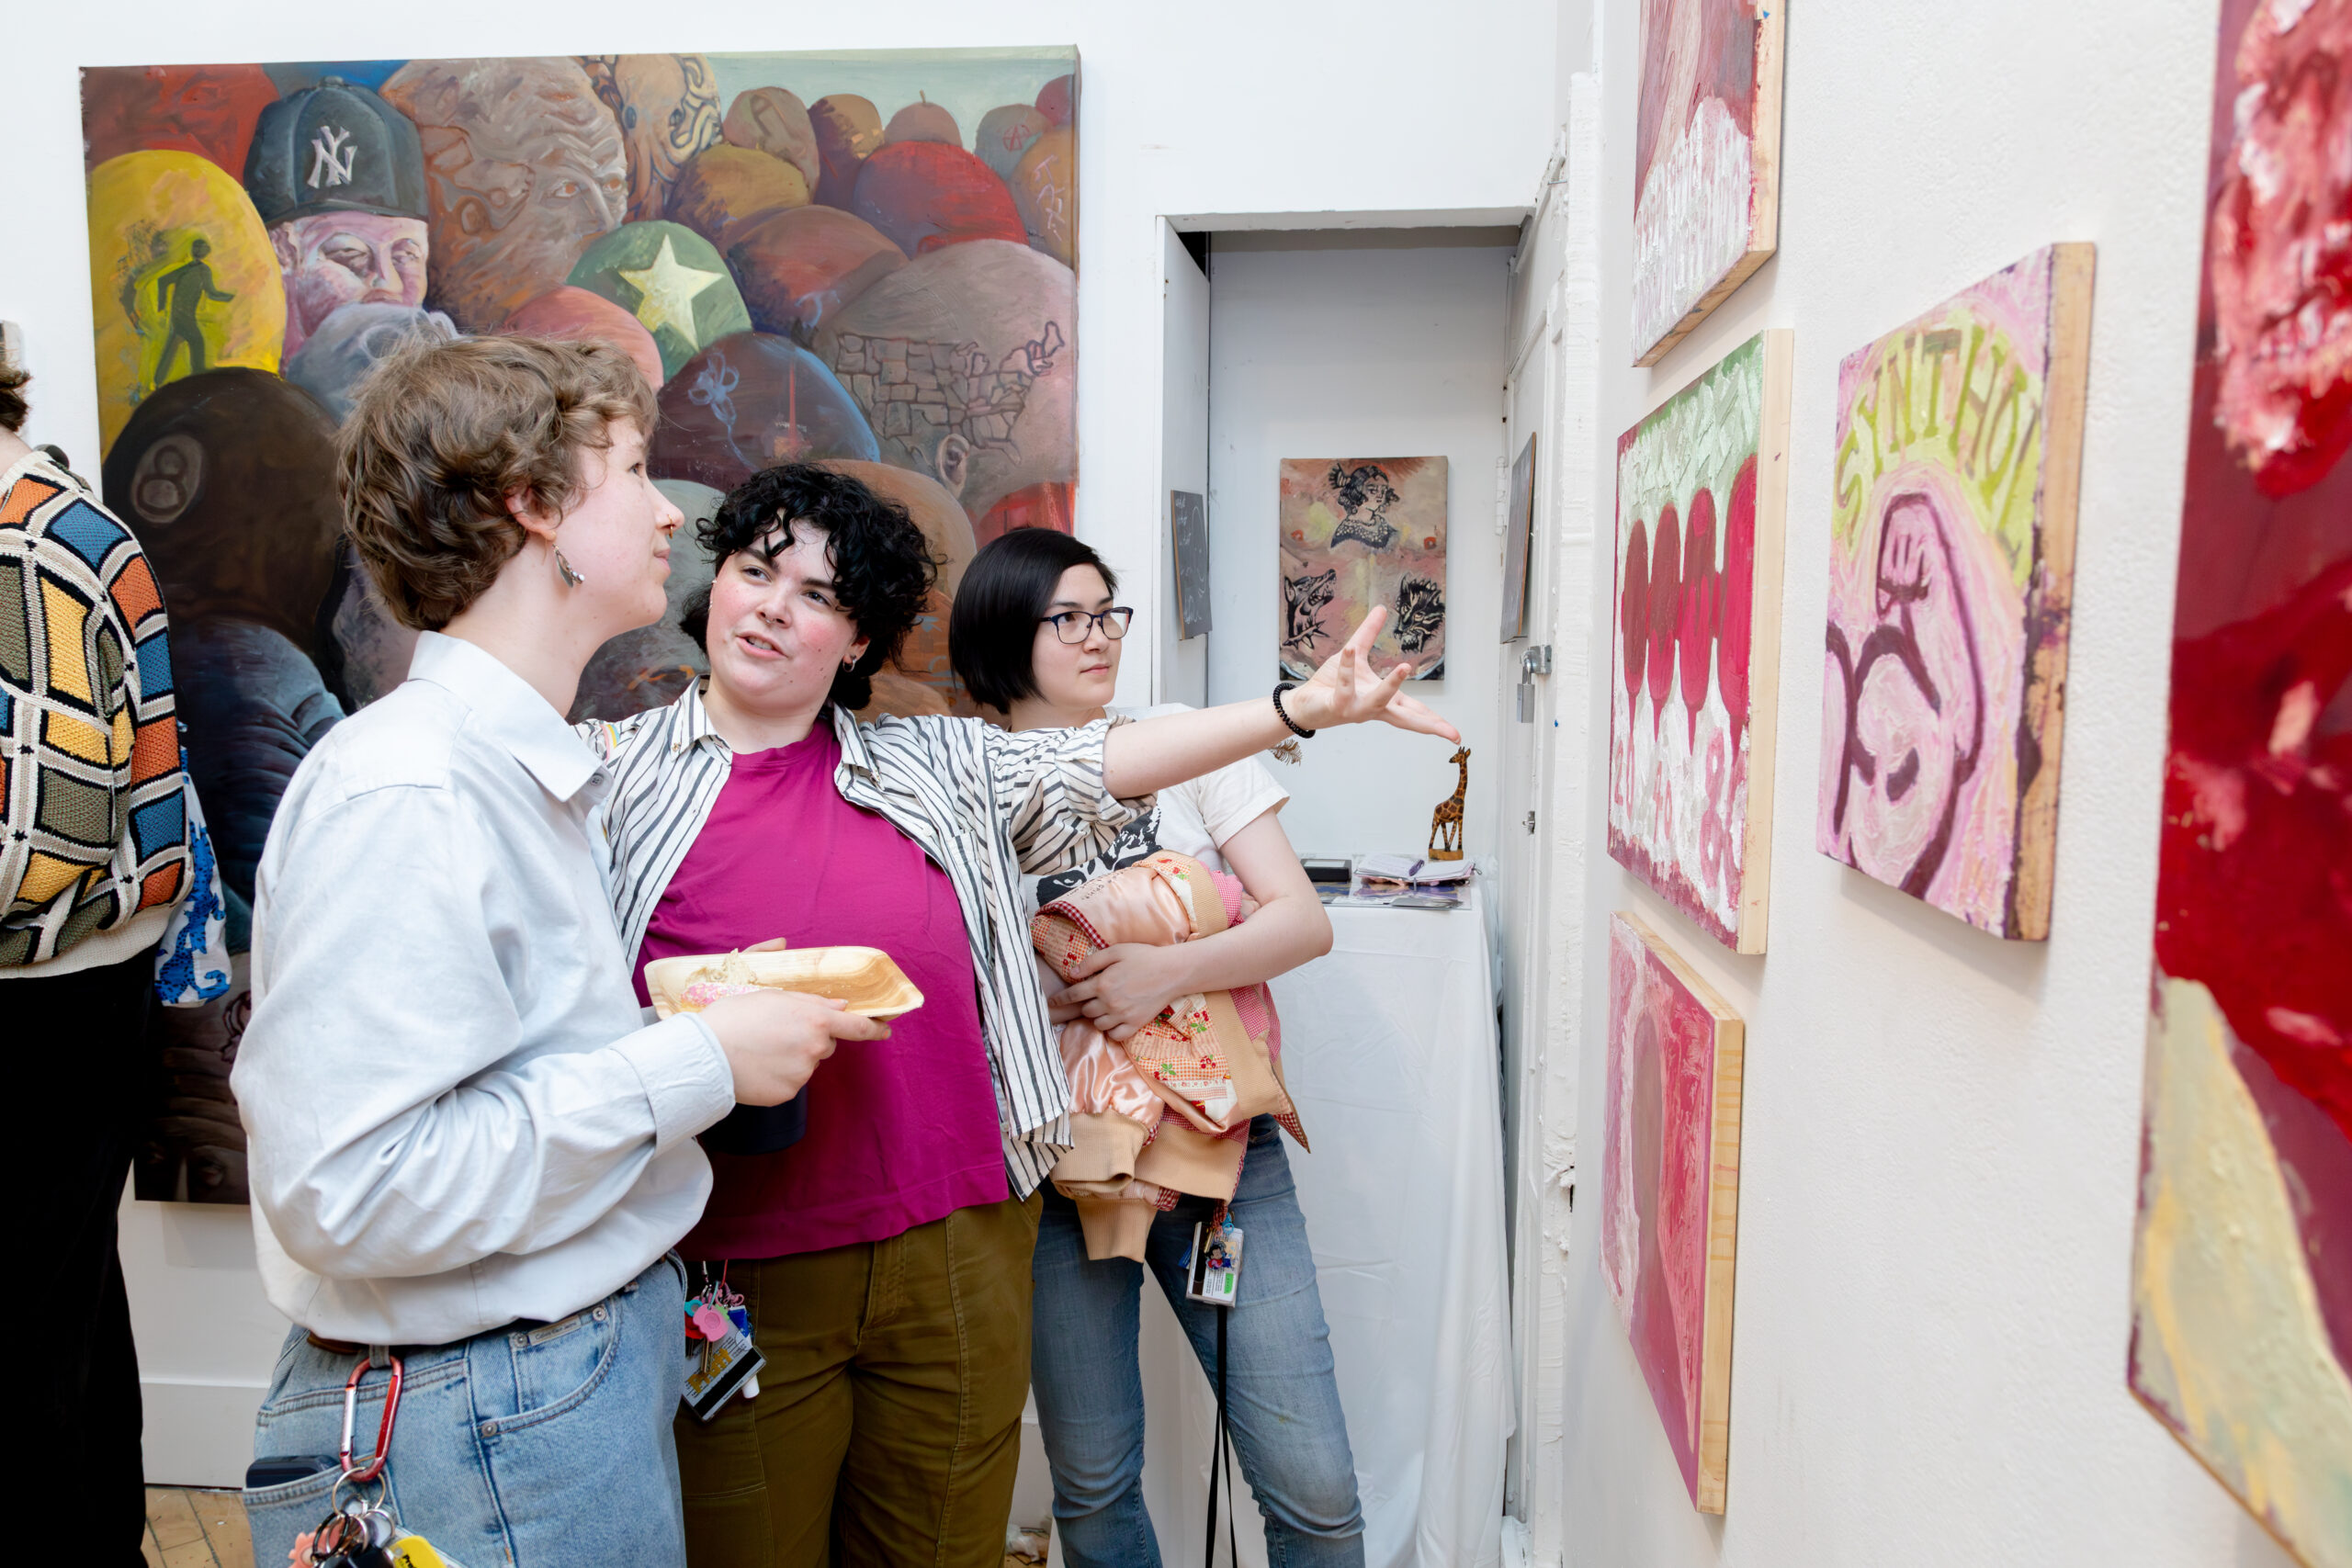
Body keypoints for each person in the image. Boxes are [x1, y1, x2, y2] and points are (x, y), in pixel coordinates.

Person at [585, 464, 1452, 1568]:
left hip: (959, 1238)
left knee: (944, 1546)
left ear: (857, 643)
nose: (771, 606)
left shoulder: (933, 764)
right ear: (714, 590)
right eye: (756, 573)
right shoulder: (607, 780)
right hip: (742, 1264)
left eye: (818, 596)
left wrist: (1301, 709)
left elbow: (1098, 758)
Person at [230, 337, 885, 1566]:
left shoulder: (514, 769)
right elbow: (353, 1189)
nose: (664, 509)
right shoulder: (411, 788)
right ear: (532, 506)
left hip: (544, 1382)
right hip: (486, 1410)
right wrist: (693, 1060)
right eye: (632, 469)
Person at [947, 527, 1367, 1567]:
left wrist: (1161, 972)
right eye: (1069, 619)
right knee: (1091, 1486)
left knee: (1312, 1487)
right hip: (1057, 1171)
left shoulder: (1185, 738)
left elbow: (1300, 921)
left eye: (1108, 614)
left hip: (1223, 1158)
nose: (1100, 638)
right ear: (1006, 633)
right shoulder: (962, 785)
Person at [0, 357, 201, 1564]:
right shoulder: (59, 518)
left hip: (38, 990)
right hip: (81, 978)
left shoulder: (27, 543)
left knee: (26, 1322)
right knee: (66, 1300)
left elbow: (30, 851)